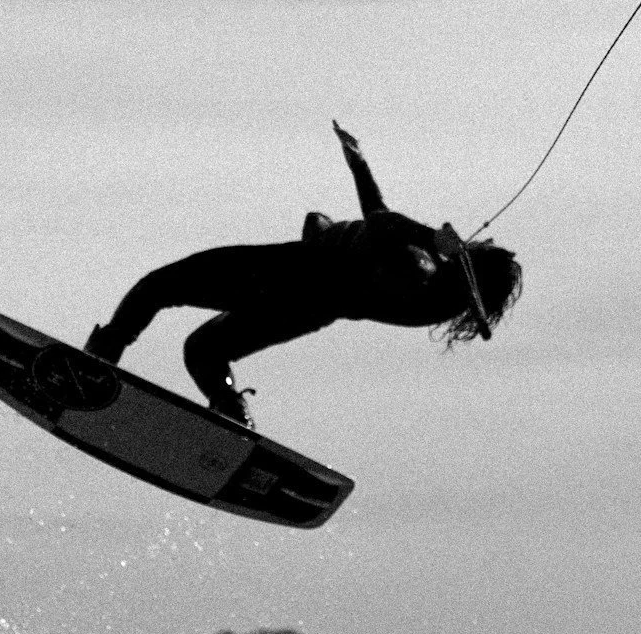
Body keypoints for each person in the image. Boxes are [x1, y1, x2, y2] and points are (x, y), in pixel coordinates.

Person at [83, 125, 522, 426]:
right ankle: (231, 412)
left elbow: (381, 220)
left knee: (158, 287)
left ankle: (97, 360)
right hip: (310, 310)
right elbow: (375, 237)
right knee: (203, 350)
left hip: (286, 276)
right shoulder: (433, 307)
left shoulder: (418, 265)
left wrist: (368, 173)